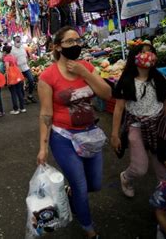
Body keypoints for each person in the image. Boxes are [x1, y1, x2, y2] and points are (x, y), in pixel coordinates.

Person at [36, 26, 112, 239]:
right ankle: (89, 228)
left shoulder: (86, 67)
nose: (75, 45)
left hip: (90, 134)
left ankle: (72, 195)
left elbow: (106, 94)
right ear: (57, 47)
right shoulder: (48, 76)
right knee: (80, 185)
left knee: (94, 184)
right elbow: (45, 114)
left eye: (78, 41)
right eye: (69, 42)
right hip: (63, 138)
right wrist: (43, 148)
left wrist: (85, 73)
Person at [111, 43, 166, 198]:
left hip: (159, 124)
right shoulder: (126, 81)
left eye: (150, 52)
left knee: (162, 167)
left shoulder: (159, 78)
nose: (148, 55)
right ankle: (126, 177)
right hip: (136, 125)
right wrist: (115, 135)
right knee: (140, 167)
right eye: (143, 52)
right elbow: (119, 109)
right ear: (134, 57)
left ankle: (162, 200)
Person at [11, 36, 37, 103]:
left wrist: (28, 64)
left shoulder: (22, 47)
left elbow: (26, 57)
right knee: (21, 84)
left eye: (19, 41)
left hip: (26, 67)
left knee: (31, 80)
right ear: (14, 41)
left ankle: (30, 95)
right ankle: (23, 98)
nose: (18, 42)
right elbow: (11, 61)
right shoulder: (12, 50)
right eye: (17, 41)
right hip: (18, 69)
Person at [3, 45, 25, 115]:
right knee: (19, 92)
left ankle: (16, 109)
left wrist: (7, 79)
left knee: (13, 93)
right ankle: (22, 108)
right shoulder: (13, 57)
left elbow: (7, 69)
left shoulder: (6, 58)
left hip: (12, 77)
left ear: (5, 51)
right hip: (17, 75)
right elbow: (16, 65)